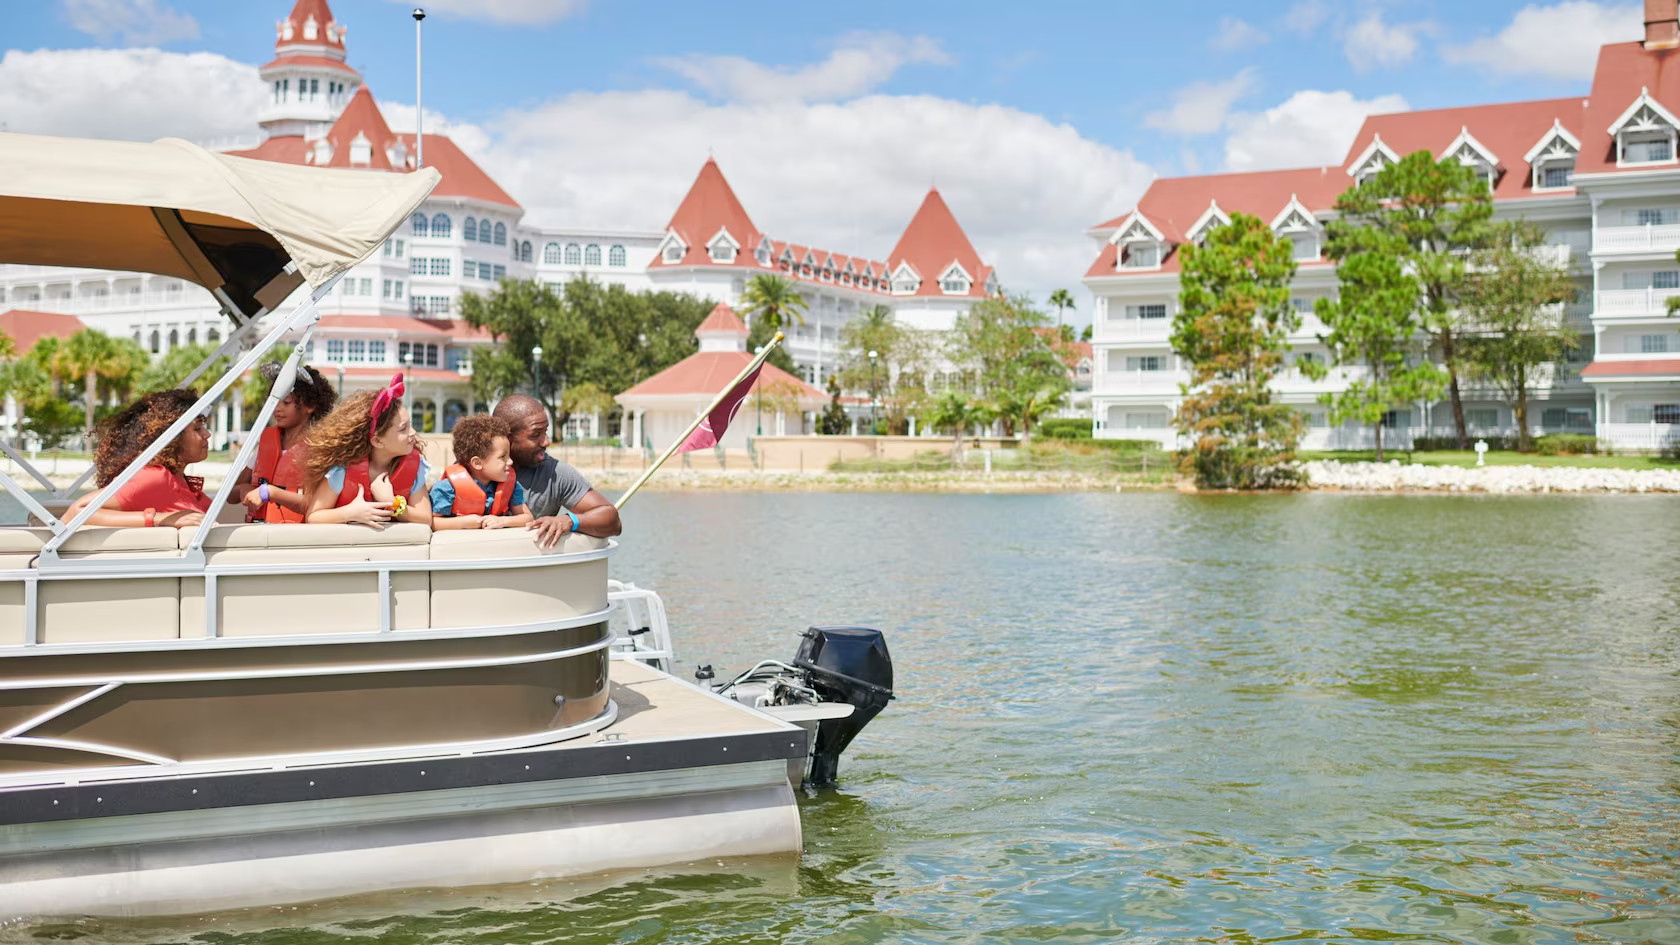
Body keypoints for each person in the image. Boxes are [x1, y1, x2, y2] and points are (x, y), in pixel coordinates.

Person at [61, 388, 211, 528]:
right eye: (197, 428)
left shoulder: (182, 483)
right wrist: (161, 519)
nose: (207, 434)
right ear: (172, 437)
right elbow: (77, 512)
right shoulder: (155, 477)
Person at [300, 373, 432, 528]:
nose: (413, 433)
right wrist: (351, 513)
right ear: (377, 441)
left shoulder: (415, 469)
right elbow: (313, 516)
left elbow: (426, 519)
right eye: (403, 429)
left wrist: (393, 503)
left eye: (410, 425)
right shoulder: (341, 471)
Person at [492, 394, 621, 548]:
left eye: (545, 431)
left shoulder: (555, 474)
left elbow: (612, 522)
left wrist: (569, 520)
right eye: (536, 434)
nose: (546, 441)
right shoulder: (471, 467)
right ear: (507, 438)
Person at [228, 362, 337, 523]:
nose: (277, 409)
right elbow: (230, 495)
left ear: (311, 405)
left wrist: (270, 492)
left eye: (286, 403)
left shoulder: (320, 449)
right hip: (259, 533)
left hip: (292, 537)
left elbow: (315, 505)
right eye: (274, 402)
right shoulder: (266, 443)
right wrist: (244, 489)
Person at [430, 415, 533, 531]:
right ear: (477, 463)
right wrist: (463, 522)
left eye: (509, 456)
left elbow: (528, 518)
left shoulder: (511, 486)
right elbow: (432, 522)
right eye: (502, 457)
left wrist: (502, 521)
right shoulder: (446, 489)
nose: (510, 461)